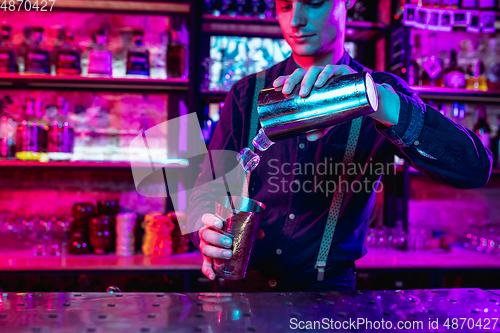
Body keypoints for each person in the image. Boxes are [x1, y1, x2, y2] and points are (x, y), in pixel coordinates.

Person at [187, 0, 492, 291]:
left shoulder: (381, 94)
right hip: (242, 292)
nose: (296, 20)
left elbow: (475, 168)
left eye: (315, 3)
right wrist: (206, 231)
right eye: (284, 6)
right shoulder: (246, 93)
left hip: (328, 295)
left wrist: (378, 101)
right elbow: (204, 194)